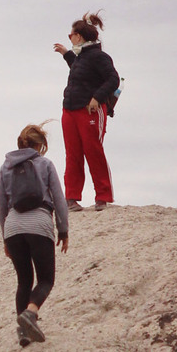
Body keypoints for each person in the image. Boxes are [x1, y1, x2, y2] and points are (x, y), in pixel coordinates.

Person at [0, 124, 69, 345]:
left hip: (13, 227)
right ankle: (30, 313)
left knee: (24, 281)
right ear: (40, 145)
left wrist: (5, 237)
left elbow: (1, 206)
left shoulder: (5, 167)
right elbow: (58, 199)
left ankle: (23, 334)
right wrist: (63, 229)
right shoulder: (45, 164)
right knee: (46, 279)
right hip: (39, 224)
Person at [52, 11, 119, 211]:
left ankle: (103, 196)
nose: (69, 37)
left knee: (94, 151)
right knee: (72, 154)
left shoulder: (99, 56)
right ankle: (71, 197)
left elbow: (113, 79)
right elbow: (79, 69)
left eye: (70, 34)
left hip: (89, 111)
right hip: (70, 110)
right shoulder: (80, 57)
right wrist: (66, 54)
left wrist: (97, 98)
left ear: (79, 36)